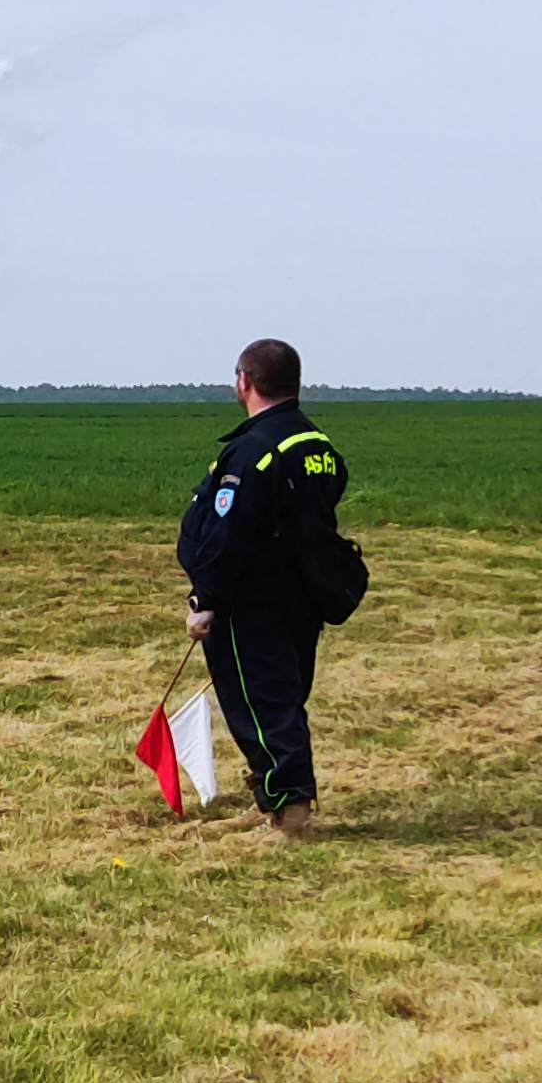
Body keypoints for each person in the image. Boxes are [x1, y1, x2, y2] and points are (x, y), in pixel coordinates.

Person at [177, 338, 352, 835]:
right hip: (302, 596)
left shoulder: (253, 450)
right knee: (283, 696)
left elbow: (229, 531)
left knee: (261, 704)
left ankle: (289, 809)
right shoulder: (317, 445)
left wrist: (205, 599)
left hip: (253, 601)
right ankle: (273, 799)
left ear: (245, 381)